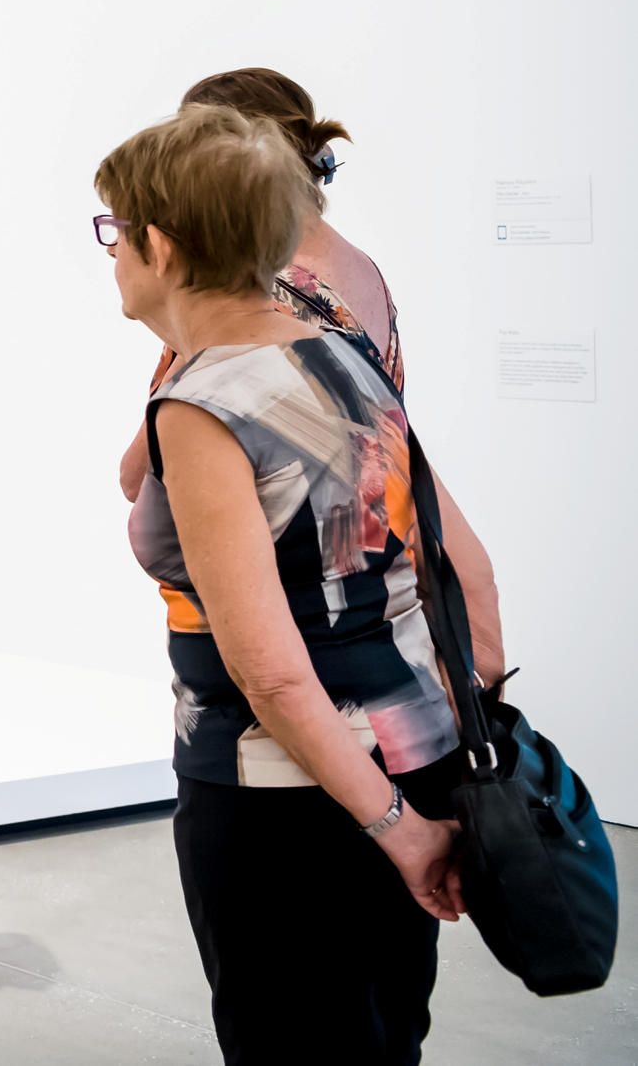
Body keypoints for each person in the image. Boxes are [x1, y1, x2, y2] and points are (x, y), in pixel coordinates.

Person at [98, 103, 476, 1064]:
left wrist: (395, 830)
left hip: (284, 798)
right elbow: (459, 560)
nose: (112, 253)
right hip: (411, 751)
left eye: (116, 230)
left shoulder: (203, 403)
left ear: (163, 246)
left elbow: (268, 670)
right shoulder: (343, 348)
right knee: (385, 1038)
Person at [117, 70, 505, 675]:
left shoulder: (254, 294)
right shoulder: (358, 265)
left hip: (302, 619)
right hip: (374, 588)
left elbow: (140, 475)